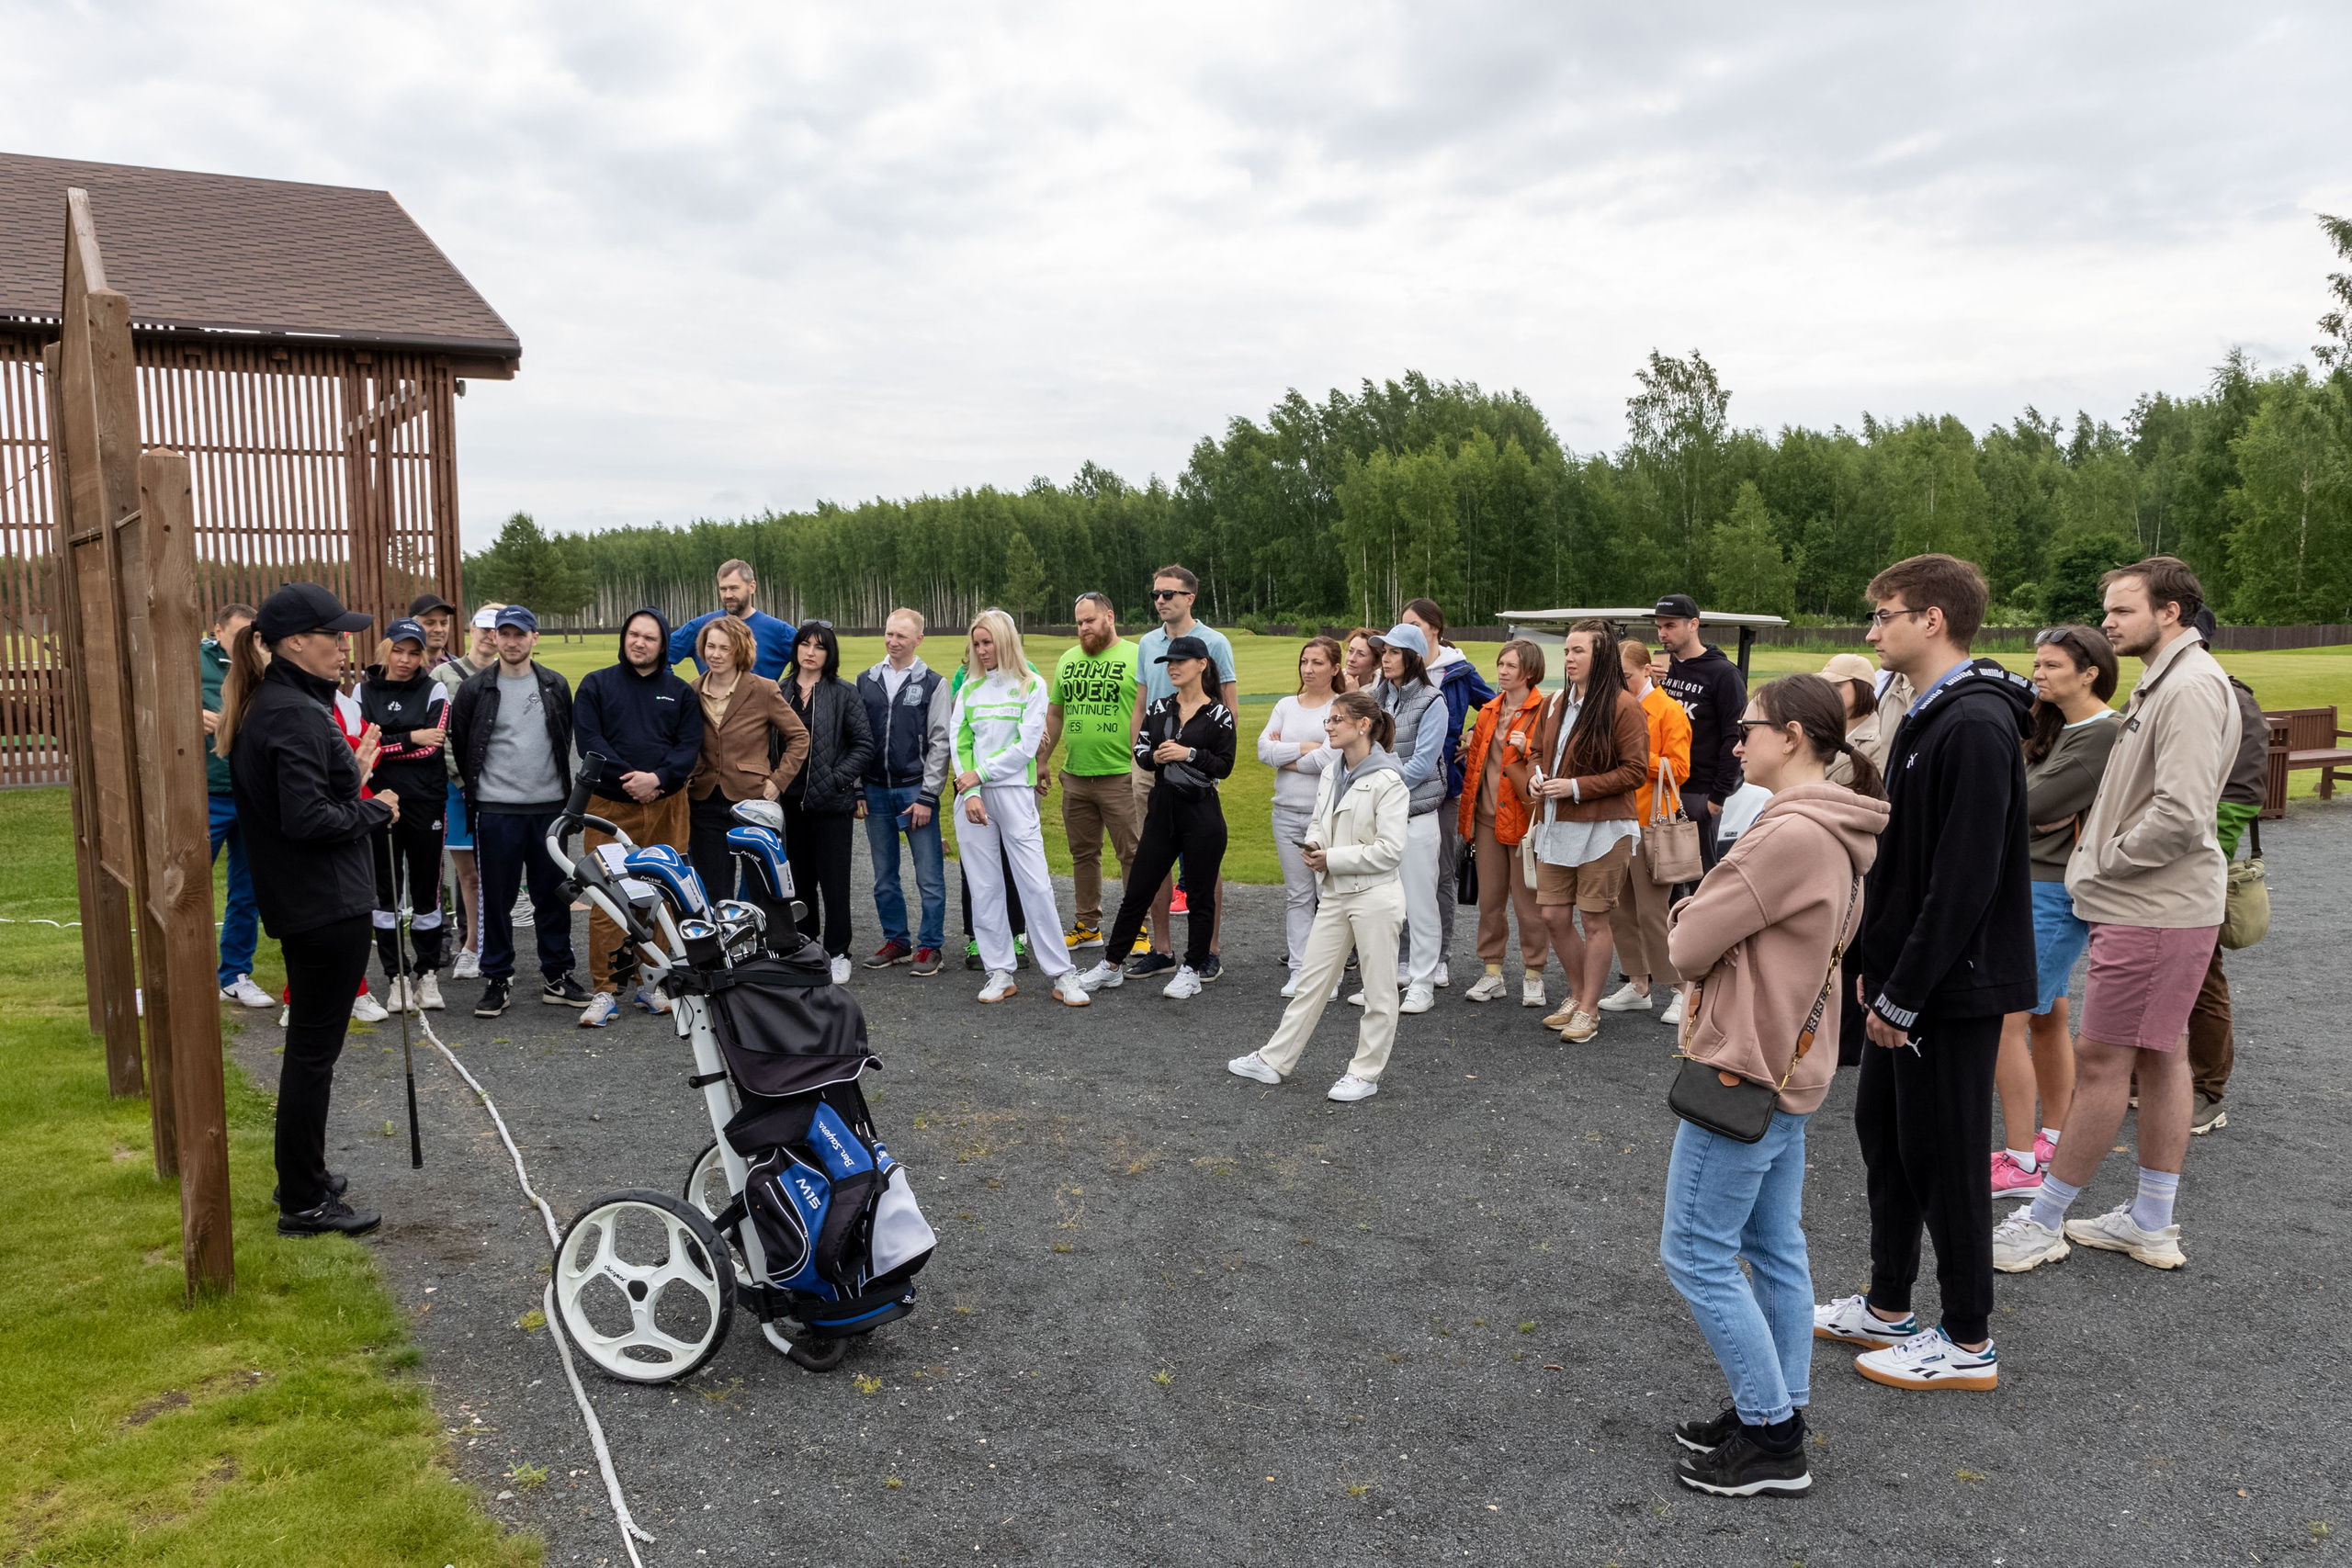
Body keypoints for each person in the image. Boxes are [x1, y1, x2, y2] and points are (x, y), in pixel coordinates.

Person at [1659, 673, 1885, 1497]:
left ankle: (1773, 1436)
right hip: (1790, 1060)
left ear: (1791, 736)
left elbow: (1687, 945)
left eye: (1748, 727)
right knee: (1772, 1248)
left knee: (1694, 1252)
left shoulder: (1787, 832)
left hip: (1748, 1064)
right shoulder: (1840, 826)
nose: (1735, 740)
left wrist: (1689, 916)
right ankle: (1776, 1405)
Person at [1813, 554, 2034, 1393]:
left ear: (1931, 620)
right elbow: (1905, 863)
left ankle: (1969, 1337)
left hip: (1949, 986)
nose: (1872, 632)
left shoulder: (1973, 722)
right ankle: (1888, 1302)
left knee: (1946, 1154)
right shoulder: (1929, 710)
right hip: (1908, 976)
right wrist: (1877, 966)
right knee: (1889, 1137)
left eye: (1884, 614)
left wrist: (1905, 991)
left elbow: (1964, 878)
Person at [1993, 558, 2235, 1277]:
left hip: (2151, 907)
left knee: (2102, 1061)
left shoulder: (2188, 686)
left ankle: (2042, 1220)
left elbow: (2182, 814)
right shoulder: (2171, 680)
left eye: (2122, 609)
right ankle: (2150, 1220)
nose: (2107, 622)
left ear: (2170, 611)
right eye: (2108, 610)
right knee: (2160, 1054)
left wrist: (2101, 862)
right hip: (2159, 904)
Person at [219, 582, 391, 1237]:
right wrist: (376, 809)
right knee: (312, 1055)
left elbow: (311, 794)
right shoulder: (291, 711)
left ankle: (305, 1175)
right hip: (323, 904)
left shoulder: (284, 703)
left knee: (312, 1052)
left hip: (313, 900)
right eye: (334, 634)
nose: (345, 645)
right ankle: (302, 1200)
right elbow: (308, 818)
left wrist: (353, 772)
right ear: (294, 642)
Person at [1987, 626, 2119, 1201]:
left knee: (2003, 1019)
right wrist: (2032, 810)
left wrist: (2031, 810)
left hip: (2050, 891)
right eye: (2037, 665)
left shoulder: (2103, 733)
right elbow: (2026, 802)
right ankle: (2052, 1138)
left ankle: (2020, 1163)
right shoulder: (2056, 726)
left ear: (2090, 673)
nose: (2037, 675)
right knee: (2047, 1016)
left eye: (2052, 666)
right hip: (2033, 882)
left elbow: (2024, 802)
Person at [1227, 689, 1408, 1101]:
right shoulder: (1332, 772)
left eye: (1336, 719)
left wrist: (1332, 858)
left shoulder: (1389, 781)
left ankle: (1364, 1073)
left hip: (1375, 897)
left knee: (1379, 991)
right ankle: (1274, 1060)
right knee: (1311, 982)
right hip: (1337, 894)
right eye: (1328, 719)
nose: (1328, 726)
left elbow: (1390, 850)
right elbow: (1318, 821)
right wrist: (1314, 846)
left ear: (1363, 725)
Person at [1077, 633, 1237, 999]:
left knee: (1200, 895)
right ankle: (1111, 965)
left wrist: (1187, 753)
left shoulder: (1219, 714)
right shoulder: (1161, 707)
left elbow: (1224, 765)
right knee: (1138, 890)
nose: (1173, 668)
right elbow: (1141, 750)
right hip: (1162, 808)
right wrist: (1156, 757)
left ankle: (1192, 969)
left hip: (1201, 811)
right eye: (1169, 663)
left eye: (1180, 662)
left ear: (1202, 665)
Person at [571, 607, 706, 1026]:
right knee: (608, 897)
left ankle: (653, 983)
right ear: (624, 637)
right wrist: (631, 779)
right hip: (609, 809)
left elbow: (689, 746)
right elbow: (589, 740)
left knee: (659, 895)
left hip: (667, 807)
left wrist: (658, 778)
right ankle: (604, 990)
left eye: (649, 637)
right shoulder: (596, 685)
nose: (640, 642)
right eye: (634, 634)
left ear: (662, 645)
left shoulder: (680, 692)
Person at [448, 605, 583, 1019]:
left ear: (533, 638)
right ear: (494, 637)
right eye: (503, 634)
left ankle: (557, 975)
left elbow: (563, 737)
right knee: (497, 899)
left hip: (548, 810)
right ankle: (497, 977)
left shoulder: (555, 684)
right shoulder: (475, 689)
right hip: (496, 810)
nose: (511, 641)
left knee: (553, 897)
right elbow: (462, 742)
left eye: (519, 634)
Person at [949, 610, 1089, 1006]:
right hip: (972, 796)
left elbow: (1027, 746)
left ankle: (1062, 974)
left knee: (1035, 883)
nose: (981, 650)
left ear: (1005, 640)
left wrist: (980, 775)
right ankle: (999, 971)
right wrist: (970, 790)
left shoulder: (1032, 685)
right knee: (984, 885)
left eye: (988, 642)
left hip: (1013, 792)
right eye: (977, 643)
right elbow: (959, 742)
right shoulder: (969, 689)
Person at [1526, 619, 1648, 1043]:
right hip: (1557, 824)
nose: (1569, 658)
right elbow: (1537, 752)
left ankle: (1589, 1010)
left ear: (1602, 655)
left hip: (1605, 828)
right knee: (1553, 916)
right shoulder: (1555, 702)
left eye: (1578, 650)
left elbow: (1635, 771)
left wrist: (1575, 787)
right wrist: (1536, 779)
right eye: (1567, 650)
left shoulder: (1623, 705)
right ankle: (1578, 996)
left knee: (1595, 919)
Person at [1130, 566, 1238, 979]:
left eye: (1169, 594)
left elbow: (1227, 705)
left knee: (1202, 862)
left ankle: (1207, 951)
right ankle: (1162, 949)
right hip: (1154, 768)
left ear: (1190, 597)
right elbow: (1141, 706)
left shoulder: (1215, 642)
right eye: (1156, 594)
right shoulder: (1147, 643)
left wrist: (1208, 761)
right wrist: (1139, 756)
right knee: (1153, 859)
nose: (1160, 600)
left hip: (1196, 768)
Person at [2186, 605, 2268, 1135]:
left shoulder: (2228, 696)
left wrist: (2199, 853)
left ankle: (2207, 1090)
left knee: (2202, 970)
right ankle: (2151, 1074)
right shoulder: (2168, 688)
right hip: (2176, 848)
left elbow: (2241, 795)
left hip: (2199, 852)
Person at [356, 619, 453, 1013]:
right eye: (398, 650)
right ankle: (396, 978)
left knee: (427, 888)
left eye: (414, 653)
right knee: (386, 891)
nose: (405, 660)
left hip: (426, 800)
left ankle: (427, 974)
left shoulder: (435, 689)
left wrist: (388, 743)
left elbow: (432, 747)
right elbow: (363, 746)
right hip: (379, 801)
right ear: (386, 649)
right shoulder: (363, 690)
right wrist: (411, 736)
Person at [1041, 592, 1141, 955]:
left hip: (1122, 775)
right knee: (1083, 855)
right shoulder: (1068, 660)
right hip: (1076, 775)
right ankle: (1087, 926)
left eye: (1090, 621)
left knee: (1133, 855)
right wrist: (1042, 759)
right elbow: (1055, 714)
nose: (1083, 628)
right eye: (1079, 623)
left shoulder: (1136, 656)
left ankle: (1138, 929)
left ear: (1109, 617)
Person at [685, 612, 808, 908]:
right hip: (704, 801)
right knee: (713, 891)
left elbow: (799, 737)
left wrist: (777, 782)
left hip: (752, 801)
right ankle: (721, 939)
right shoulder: (691, 690)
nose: (715, 654)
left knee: (762, 889)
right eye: (710, 646)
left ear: (739, 650)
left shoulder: (763, 689)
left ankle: (765, 939)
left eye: (724, 648)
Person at [1402, 598, 1494, 988]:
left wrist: (1473, 735)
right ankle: (1406, 956)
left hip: (1445, 787)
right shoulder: (1400, 667)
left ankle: (1438, 957)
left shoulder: (1459, 671)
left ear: (1435, 629)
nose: (1408, 632)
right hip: (1401, 788)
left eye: (1415, 625)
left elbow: (1496, 706)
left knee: (1440, 873)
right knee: (1402, 873)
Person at [1601, 637, 1692, 1027]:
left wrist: (1635, 758)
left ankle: (1680, 988)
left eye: (1626, 676)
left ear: (1646, 670)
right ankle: (1638, 984)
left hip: (1651, 822)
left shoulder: (1669, 710)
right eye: (1616, 676)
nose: (1620, 683)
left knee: (1653, 913)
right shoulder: (1613, 708)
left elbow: (1680, 769)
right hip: (1616, 819)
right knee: (1619, 909)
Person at [779, 620, 875, 985]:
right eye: (805, 644)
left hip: (832, 805)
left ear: (829, 653)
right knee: (799, 883)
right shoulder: (780, 691)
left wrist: (835, 779)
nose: (810, 652)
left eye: (819, 646)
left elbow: (863, 745)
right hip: (790, 804)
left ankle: (838, 953)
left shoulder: (843, 693)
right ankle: (806, 948)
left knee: (834, 884)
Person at [1363, 622, 1450, 1016]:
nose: (1386, 658)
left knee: (1420, 905)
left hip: (1415, 816)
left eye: (1394, 652)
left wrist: (1378, 782)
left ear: (1413, 658)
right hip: (1381, 817)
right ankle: (1382, 986)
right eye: (1384, 651)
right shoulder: (1377, 697)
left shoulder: (1433, 701)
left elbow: (1422, 765)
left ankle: (1422, 984)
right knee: (1382, 906)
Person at [854, 608, 948, 973]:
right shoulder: (866, 680)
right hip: (876, 791)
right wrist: (858, 788)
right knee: (884, 876)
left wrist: (928, 795)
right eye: (889, 634)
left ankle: (930, 946)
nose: (893, 641)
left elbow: (940, 742)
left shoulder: (934, 683)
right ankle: (897, 941)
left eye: (901, 636)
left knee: (929, 875)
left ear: (918, 640)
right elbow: (857, 738)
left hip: (914, 793)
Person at [1455, 638, 1548, 1010]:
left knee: (1529, 906)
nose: (1502, 671)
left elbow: (1556, 762)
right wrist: (1468, 821)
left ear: (1530, 671)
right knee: (1490, 902)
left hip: (1525, 821)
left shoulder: (1545, 711)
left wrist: (1529, 748)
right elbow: (1475, 770)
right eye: (1501, 664)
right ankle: (1492, 972)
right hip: (1487, 818)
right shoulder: (1489, 711)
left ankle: (1534, 975)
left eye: (1511, 665)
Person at [1260, 636, 1346, 992]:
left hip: (1323, 817)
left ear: (1335, 668)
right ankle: (1299, 969)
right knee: (1297, 896)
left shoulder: (1340, 707)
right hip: (1285, 813)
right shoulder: (1285, 705)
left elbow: (1328, 759)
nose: (1308, 669)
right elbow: (1264, 750)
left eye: (1317, 663)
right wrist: (1304, 747)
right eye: (1304, 662)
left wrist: (1286, 756)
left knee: (1328, 897)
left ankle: (1329, 974)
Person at [201, 603, 273, 1009]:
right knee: (187, 887)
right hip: (206, 794)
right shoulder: (193, 662)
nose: (249, 642)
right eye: (240, 634)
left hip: (250, 792)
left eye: (254, 635)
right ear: (217, 631)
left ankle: (234, 975)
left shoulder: (264, 664)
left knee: (248, 888)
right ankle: (175, 975)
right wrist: (190, 714)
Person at [433, 604, 502, 979]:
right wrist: (465, 780)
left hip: (502, 789)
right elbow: (440, 734)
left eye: (499, 627)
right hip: (458, 788)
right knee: (469, 874)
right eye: (485, 626)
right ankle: (471, 946)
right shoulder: (443, 675)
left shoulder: (514, 672)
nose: (491, 635)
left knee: (501, 870)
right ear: (471, 629)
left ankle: (497, 945)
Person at [1654, 594, 1747, 870]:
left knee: (1700, 877)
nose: (1662, 634)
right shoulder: (1659, 668)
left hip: (1699, 792)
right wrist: (1649, 686)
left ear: (1693, 624)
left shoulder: (1722, 674)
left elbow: (1735, 735)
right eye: (1659, 627)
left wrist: (1717, 798)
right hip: (1658, 787)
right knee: (1660, 875)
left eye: (1670, 626)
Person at [669, 558, 797, 678]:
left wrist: (790, 691)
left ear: (752, 587)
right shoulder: (701, 626)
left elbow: (809, 665)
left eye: (734, 588)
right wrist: (677, 690)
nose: (728, 595)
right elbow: (660, 655)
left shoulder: (779, 631)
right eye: (723, 589)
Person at [1816, 653, 1883, 783]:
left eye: (1837, 686)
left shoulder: (1879, 741)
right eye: (1825, 686)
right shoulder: (1816, 730)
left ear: (1861, 687)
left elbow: (1876, 790)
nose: (1828, 692)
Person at [408, 592, 458, 669]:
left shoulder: (460, 668)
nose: (439, 629)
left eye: (443, 623)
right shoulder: (401, 668)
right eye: (430, 623)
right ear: (413, 625)